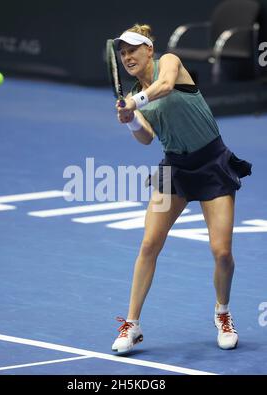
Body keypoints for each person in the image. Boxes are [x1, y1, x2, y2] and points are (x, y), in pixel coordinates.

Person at [111, 24, 252, 354]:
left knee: (222, 252)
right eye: (122, 52)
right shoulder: (135, 94)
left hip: (212, 163)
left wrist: (136, 101)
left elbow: (165, 86)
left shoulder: (169, 62)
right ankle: (132, 324)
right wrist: (131, 117)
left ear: (149, 49)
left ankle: (223, 313)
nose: (127, 56)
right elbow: (146, 137)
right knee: (149, 243)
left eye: (133, 49)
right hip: (175, 169)